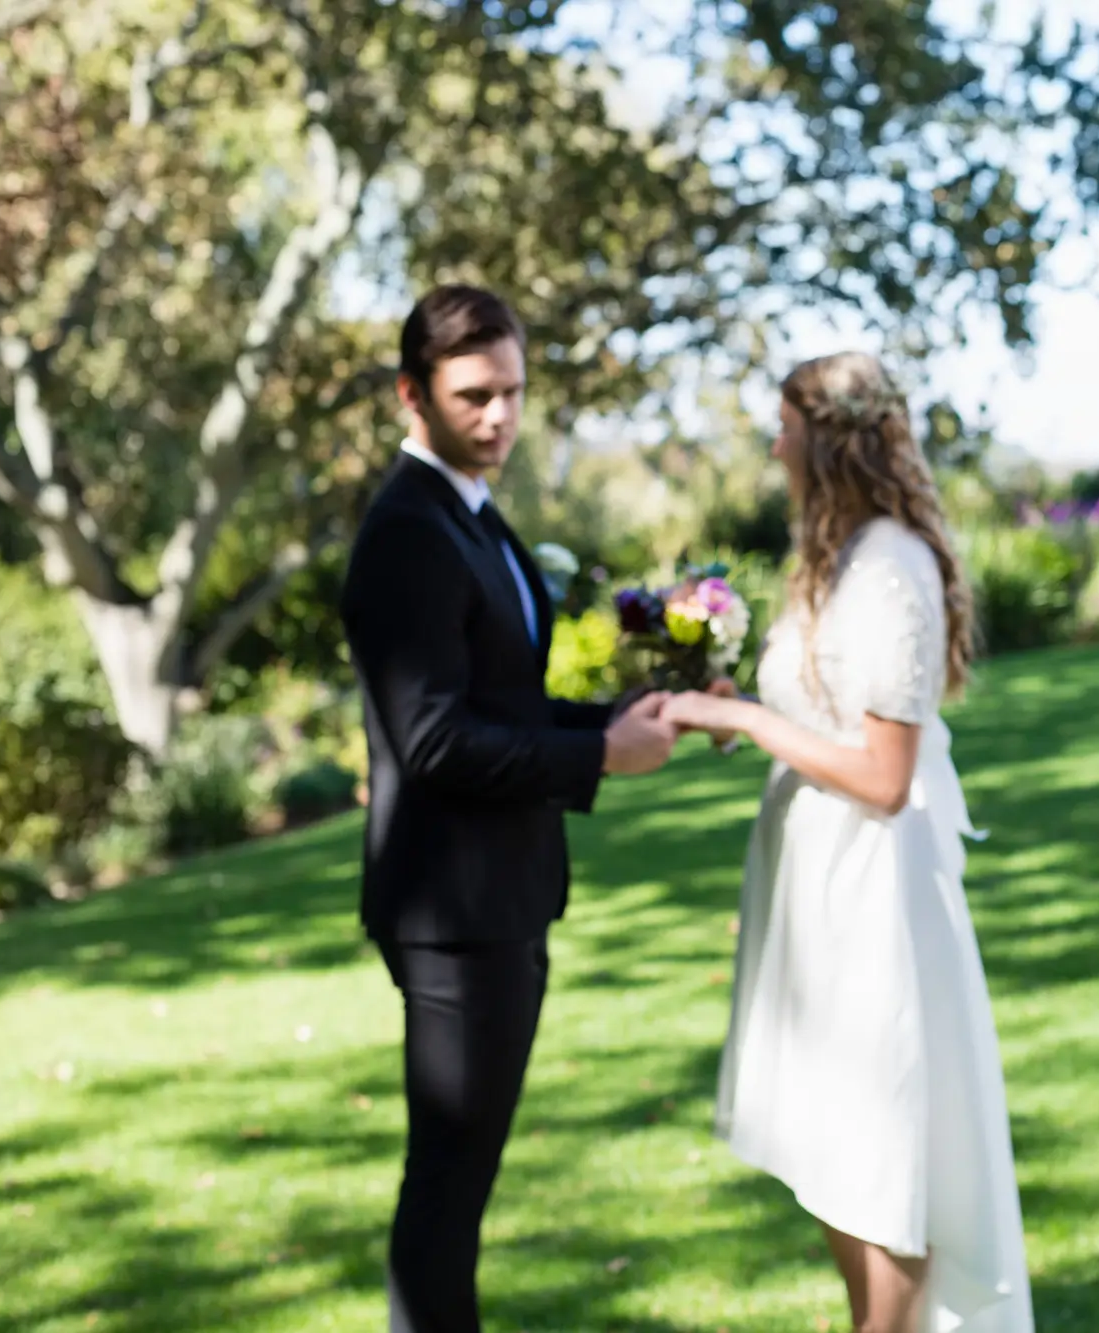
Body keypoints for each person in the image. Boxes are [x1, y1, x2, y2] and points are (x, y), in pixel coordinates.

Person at [662, 352, 1034, 1333]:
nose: (773, 441)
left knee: (880, 1162)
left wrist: (743, 725)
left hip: (871, 900)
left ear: (825, 439)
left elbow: (881, 773)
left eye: (785, 423)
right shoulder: (830, 556)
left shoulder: (890, 566)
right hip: (814, 893)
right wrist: (730, 704)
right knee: (832, 1157)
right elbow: (825, 718)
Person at [339, 284, 678, 1333]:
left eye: (513, 392)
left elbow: (499, 701)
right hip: (453, 913)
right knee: (445, 1183)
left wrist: (615, 716)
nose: (498, 416)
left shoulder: (473, 516)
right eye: (473, 395)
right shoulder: (407, 531)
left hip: (500, 900)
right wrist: (597, 758)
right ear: (412, 395)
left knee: (460, 1180)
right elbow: (432, 737)